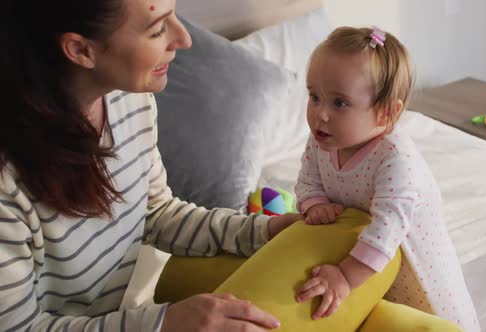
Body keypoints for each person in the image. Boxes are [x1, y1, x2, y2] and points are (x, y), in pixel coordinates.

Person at [0, 0, 302, 331]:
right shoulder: (9, 184)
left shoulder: (128, 98)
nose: (184, 38)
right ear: (80, 49)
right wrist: (164, 323)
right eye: (157, 28)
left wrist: (262, 231)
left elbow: (154, 213)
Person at [294, 26, 480, 331]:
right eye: (314, 96)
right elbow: (308, 180)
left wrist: (344, 277)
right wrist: (314, 204)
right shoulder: (322, 140)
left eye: (339, 103)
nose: (320, 114)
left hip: (415, 270)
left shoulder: (395, 159)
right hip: (368, 270)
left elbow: (386, 230)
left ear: (385, 113)